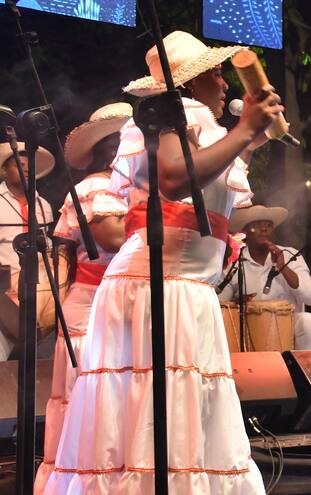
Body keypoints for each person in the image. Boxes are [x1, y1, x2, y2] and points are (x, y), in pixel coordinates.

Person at [45, 31, 282, 494]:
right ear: (190, 85)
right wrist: (248, 129)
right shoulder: (171, 118)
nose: (225, 84)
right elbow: (174, 180)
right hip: (160, 284)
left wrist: (255, 131)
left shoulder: (205, 127)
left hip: (184, 286)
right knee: (159, 410)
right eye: (216, 74)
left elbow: (218, 170)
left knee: (175, 409)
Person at [34, 102, 131, 494]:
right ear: (113, 148)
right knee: (88, 393)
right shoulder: (94, 187)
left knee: (111, 394)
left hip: (114, 305)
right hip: (90, 306)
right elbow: (114, 239)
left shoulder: (125, 189)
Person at [220, 204, 311, 350]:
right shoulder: (235, 264)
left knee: (309, 321)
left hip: (287, 327)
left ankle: (301, 371)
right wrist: (237, 302)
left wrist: (283, 267)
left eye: (268, 225)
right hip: (250, 331)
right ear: (246, 231)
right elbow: (221, 304)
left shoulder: (290, 255)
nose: (264, 229)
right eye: (257, 225)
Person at [0, 141, 55, 360]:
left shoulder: (44, 205)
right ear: (4, 171)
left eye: (29, 167)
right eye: (19, 165)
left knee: (38, 354)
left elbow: (49, 249)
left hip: (35, 290)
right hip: (3, 288)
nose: (25, 170)